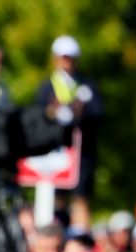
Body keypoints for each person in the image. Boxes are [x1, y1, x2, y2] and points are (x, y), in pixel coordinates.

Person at [35, 36, 102, 229]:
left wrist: (81, 112)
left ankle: (81, 242)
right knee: (56, 198)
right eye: (63, 57)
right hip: (55, 153)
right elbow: (37, 118)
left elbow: (98, 114)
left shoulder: (87, 85)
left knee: (81, 197)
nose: (67, 62)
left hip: (82, 154)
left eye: (71, 58)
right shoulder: (46, 87)